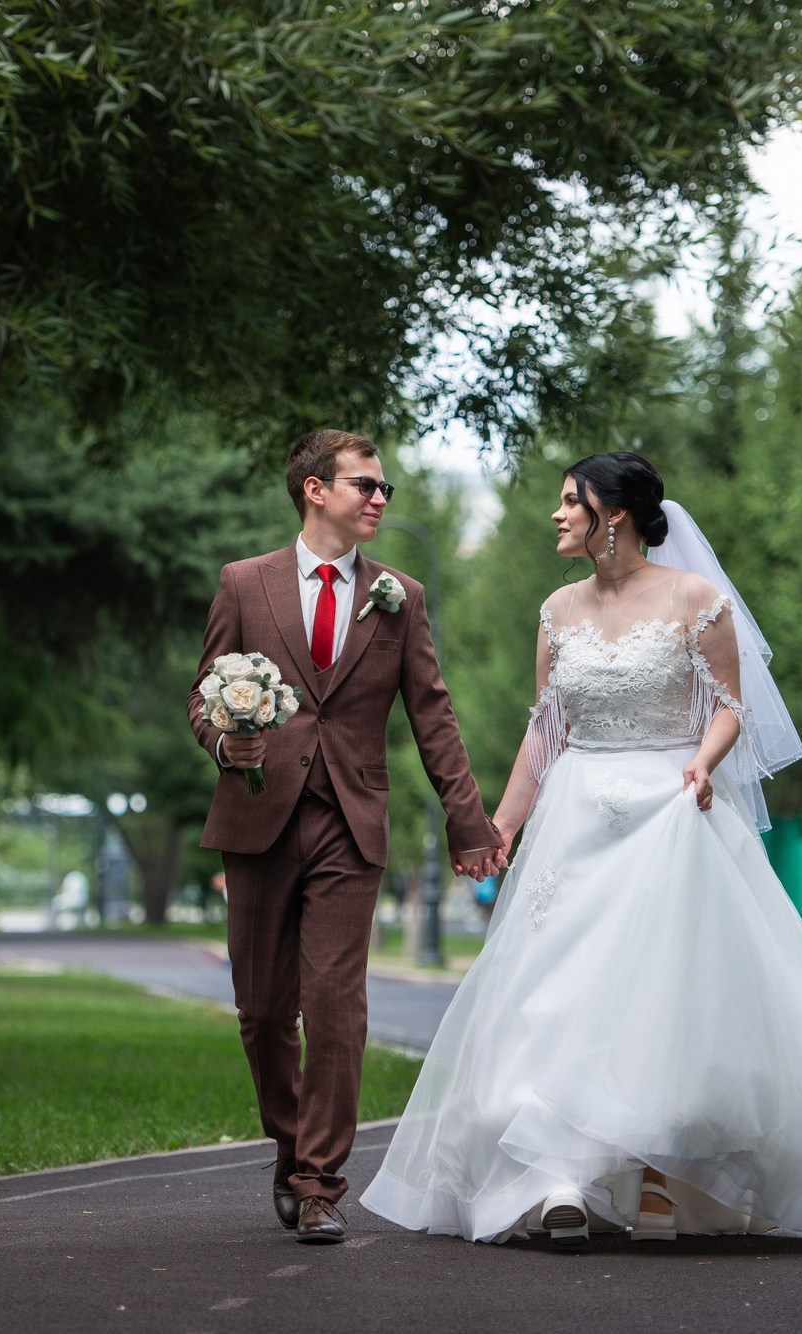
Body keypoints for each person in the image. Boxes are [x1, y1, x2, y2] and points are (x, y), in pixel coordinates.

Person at [361, 451, 802, 1250]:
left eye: (568, 502)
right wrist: (502, 825)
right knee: (557, 996)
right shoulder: (558, 609)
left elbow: (728, 706)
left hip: (671, 812)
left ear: (611, 514)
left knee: (667, 1007)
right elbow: (546, 727)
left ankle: (663, 1182)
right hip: (578, 821)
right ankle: (559, 1181)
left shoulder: (697, 599)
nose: (555, 516)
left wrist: (702, 761)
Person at [189, 428, 506, 1244]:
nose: (380, 499)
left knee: (336, 1008)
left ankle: (322, 1182)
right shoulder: (244, 584)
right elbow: (202, 696)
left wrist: (466, 817)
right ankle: (291, 1144)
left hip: (349, 820)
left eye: (385, 488)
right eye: (365, 485)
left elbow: (431, 713)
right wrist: (229, 740)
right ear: (314, 491)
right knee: (262, 1014)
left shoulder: (401, 594)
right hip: (257, 817)